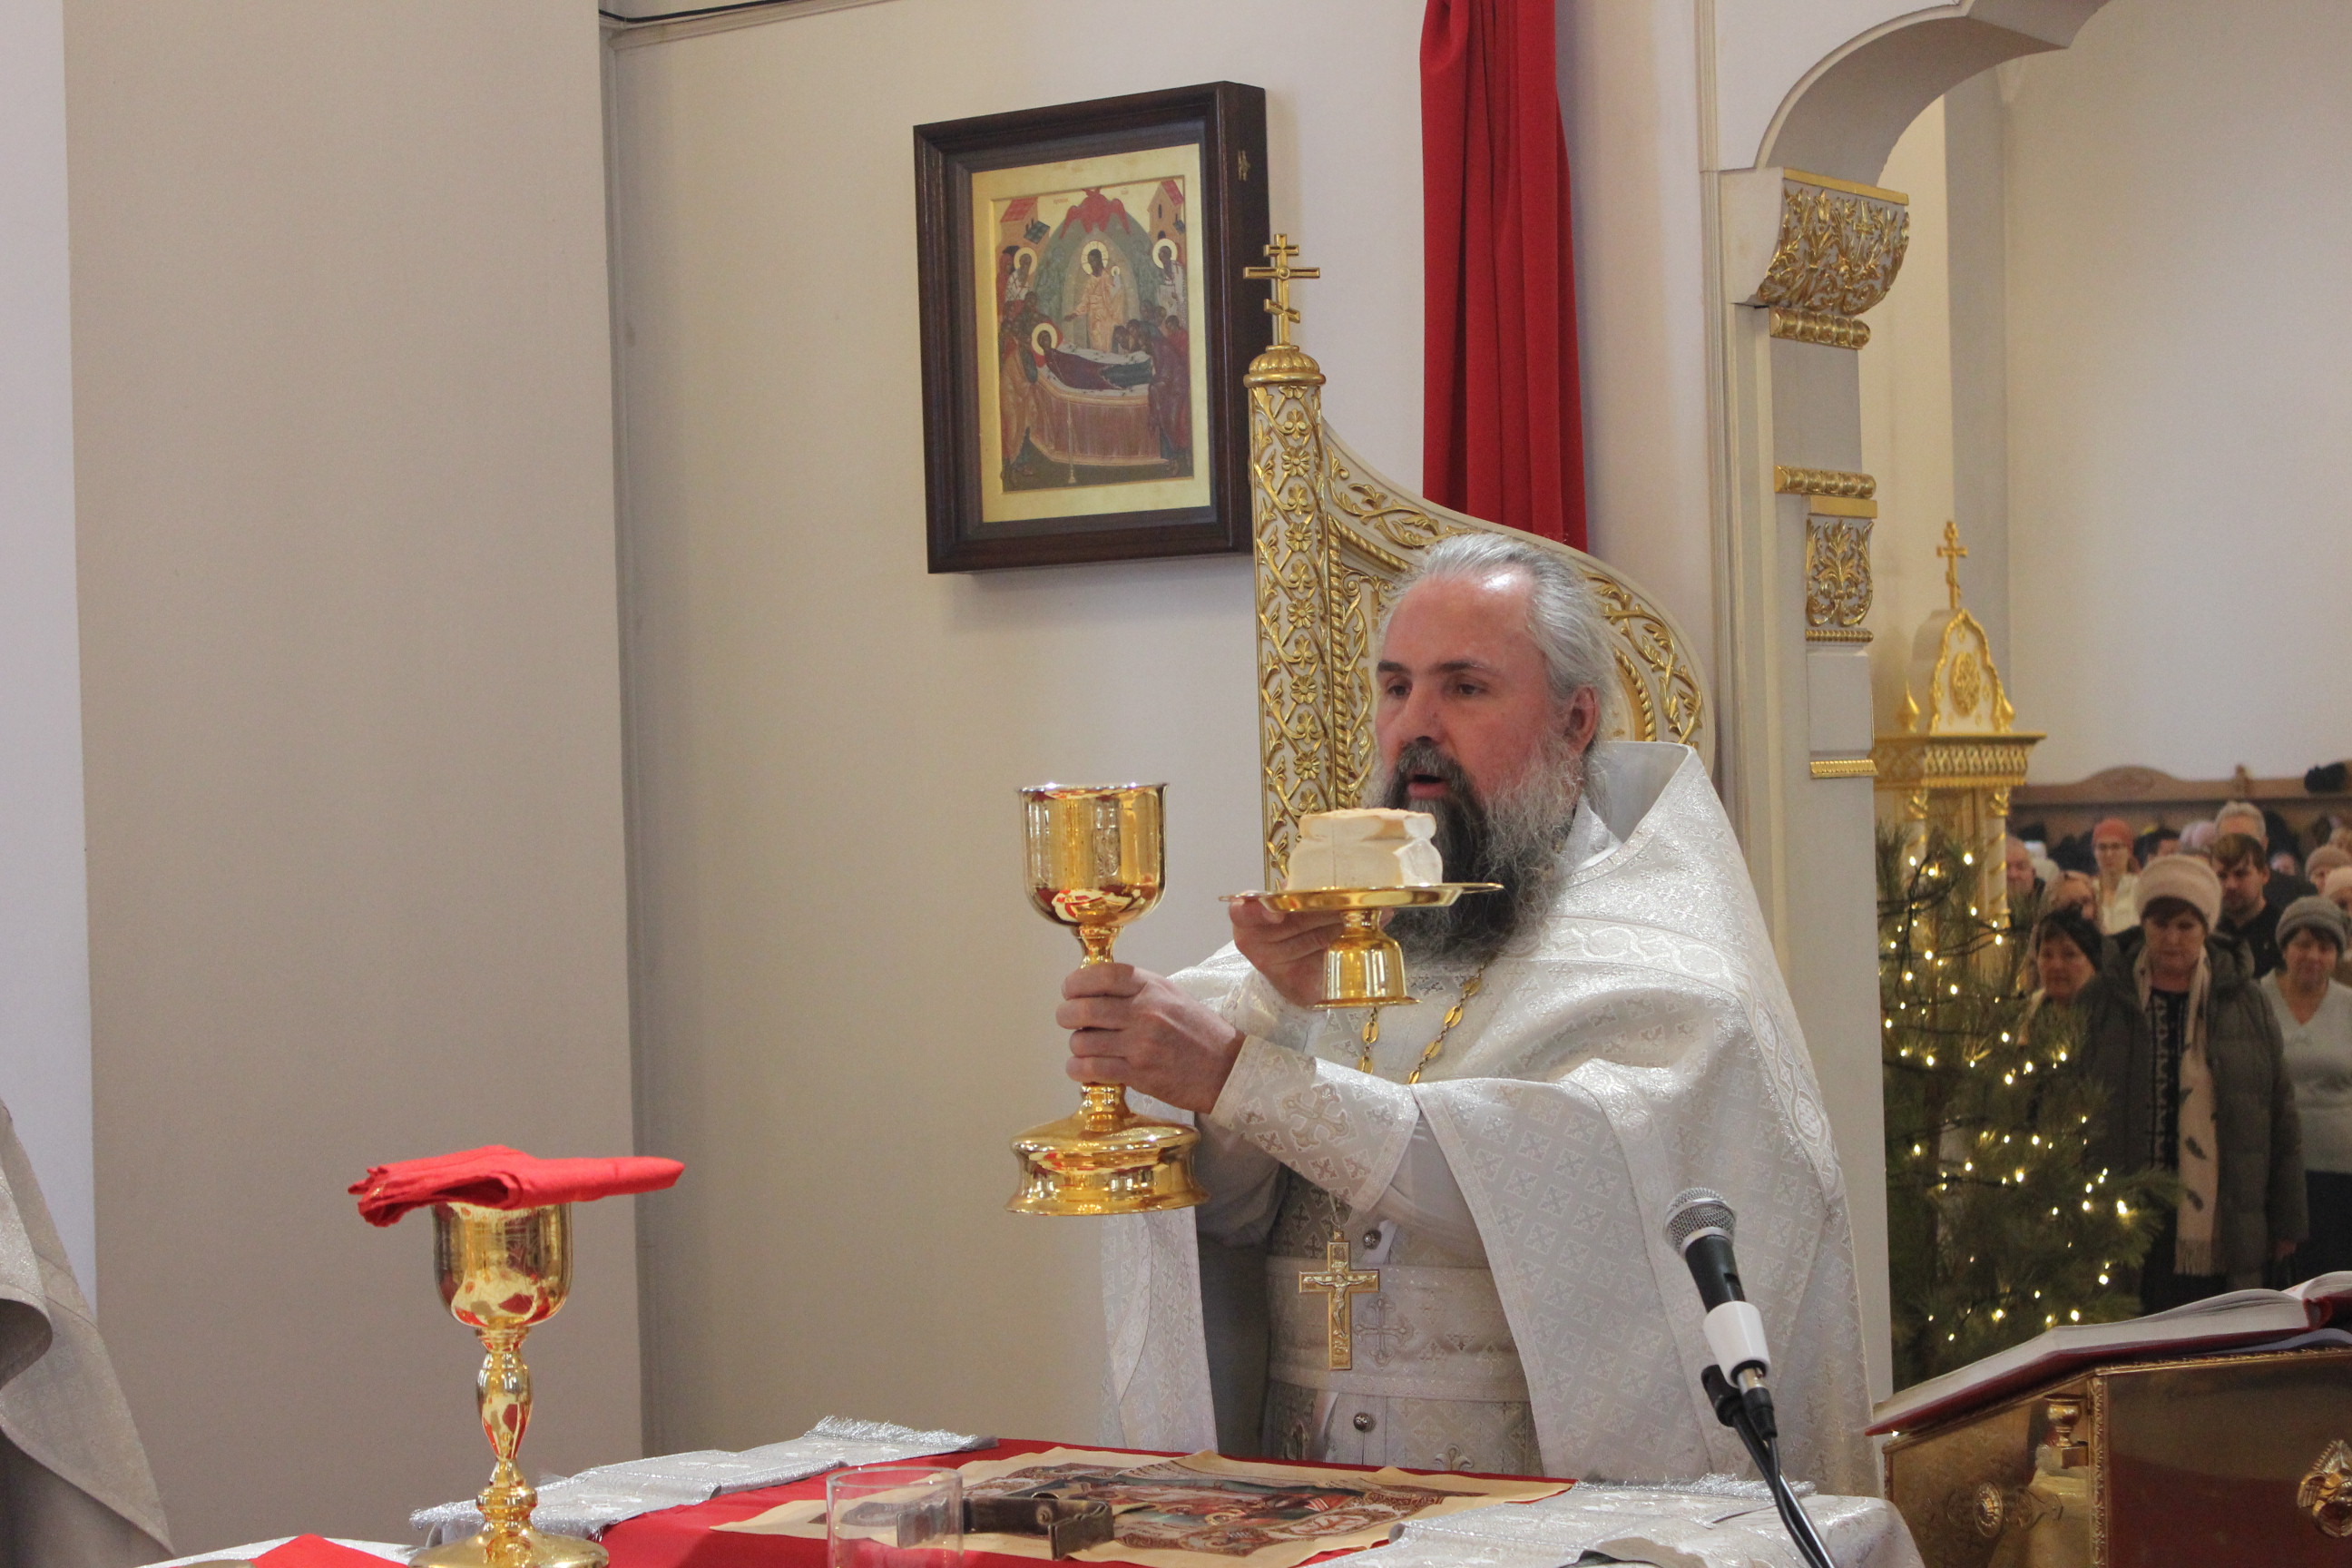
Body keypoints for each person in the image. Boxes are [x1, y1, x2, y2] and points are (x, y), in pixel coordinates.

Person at [1064, 534, 1873, 1491]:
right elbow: (1230, 1219)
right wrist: (1267, 1014)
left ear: (1576, 720)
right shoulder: (1328, 932)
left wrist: (1237, 1074)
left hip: (1533, 1505)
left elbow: (1544, 1200)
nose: (1416, 725)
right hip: (1304, 1495)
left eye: (1465, 687)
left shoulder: (1668, 969)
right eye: (1395, 686)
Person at [2078, 856, 2304, 1311]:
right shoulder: (2104, 999)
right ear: (2143, 924)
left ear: (2206, 927)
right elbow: (2071, 1102)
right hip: (2124, 1204)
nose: (2172, 938)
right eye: (2161, 924)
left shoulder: (2246, 1001)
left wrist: (2287, 1219)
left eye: (2186, 925)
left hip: (2220, 1213)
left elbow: (2279, 1114)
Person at [2262, 897, 2352, 1279]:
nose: (2313, 956)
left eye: (2325, 947)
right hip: (2274, 1169)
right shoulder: (2257, 999)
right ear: (2284, 947)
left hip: (2340, 1172)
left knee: (2334, 1281)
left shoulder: (2349, 1005)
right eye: (2303, 944)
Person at [2214, 832, 2284, 978]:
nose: (2231, 885)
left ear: (2264, 874)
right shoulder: (2207, 931)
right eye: (2222, 876)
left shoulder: (2284, 932)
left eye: (2240, 874)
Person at [2091, 817, 2140, 935]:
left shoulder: (2141, 889)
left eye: (2116, 847)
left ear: (2129, 851)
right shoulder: (2088, 891)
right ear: (2094, 852)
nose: (2109, 854)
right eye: (2102, 847)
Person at [2005, 834, 2043, 925]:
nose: (2013, 875)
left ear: (2033, 872)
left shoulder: (2049, 901)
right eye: (2005, 868)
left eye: (2021, 867)